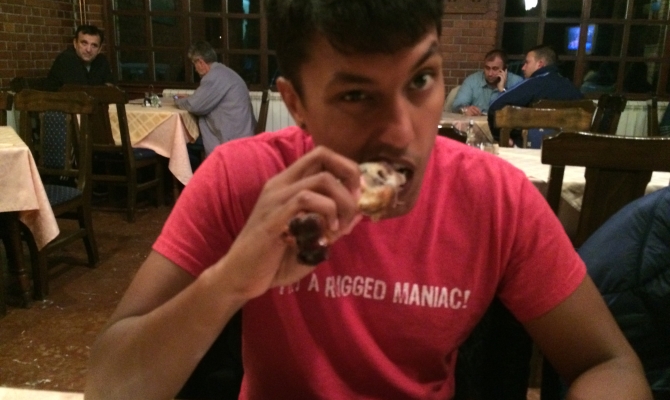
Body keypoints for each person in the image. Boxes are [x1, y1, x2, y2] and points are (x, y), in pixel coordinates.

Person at [84, 1, 652, 399]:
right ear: (296, 103)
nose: (404, 133)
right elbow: (110, 385)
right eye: (356, 95)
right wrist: (229, 280)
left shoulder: (496, 197)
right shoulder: (242, 178)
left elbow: (607, 362)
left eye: (421, 80)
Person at [487, 44, 583, 144]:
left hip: (529, 149)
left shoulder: (533, 84)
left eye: (527, 62)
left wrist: (503, 138)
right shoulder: (571, 87)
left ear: (540, 64)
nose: (523, 68)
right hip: (567, 149)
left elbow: (495, 107)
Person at [174, 41, 256, 156]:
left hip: (232, 138)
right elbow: (203, 99)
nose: (195, 69)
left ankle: (201, 168)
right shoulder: (223, 72)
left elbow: (194, 106)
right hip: (242, 131)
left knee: (181, 141)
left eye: (194, 64)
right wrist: (191, 98)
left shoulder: (213, 77)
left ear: (200, 62)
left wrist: (177, 100)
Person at [451, 49, 523, 116]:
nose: (490, 73)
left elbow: (519, 112)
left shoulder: (517, 82)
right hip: (477, 124)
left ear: (505, 69)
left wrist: (502, 90)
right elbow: (456, 106)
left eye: (495, 69)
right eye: (487, 68)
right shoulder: (473, 80)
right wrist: (465, 110)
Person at [44, 25, 115, 91]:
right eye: (84, 43)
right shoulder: (66, 59)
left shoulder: (101, 60)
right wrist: (101, 87)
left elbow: (111, 87)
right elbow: (81, 90)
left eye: (94, 45)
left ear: (99, 49)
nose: (88, 50)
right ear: (75, 43)